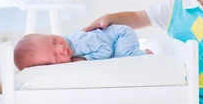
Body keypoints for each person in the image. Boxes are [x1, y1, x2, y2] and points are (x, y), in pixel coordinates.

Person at [13, 24, 152, 71]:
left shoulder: (81, 42)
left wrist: (86, 59)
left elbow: (107, 50)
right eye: (56, 56)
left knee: (124, 57)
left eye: (54, 41)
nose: (61, 48)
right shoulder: (68, 51)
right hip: (114, 40)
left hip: (120, 36)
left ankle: (145, 54)